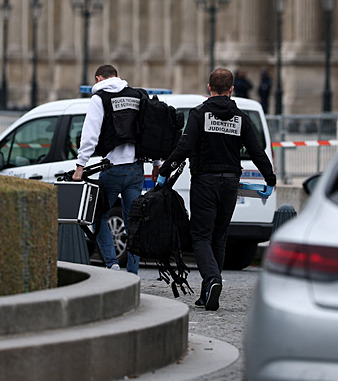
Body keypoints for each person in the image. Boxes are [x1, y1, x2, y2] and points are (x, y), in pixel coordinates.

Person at [156, 68, 276, 311]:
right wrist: (270, 179)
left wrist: (165, 170)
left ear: (209, 88)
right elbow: (257, 151)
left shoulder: (200, 114)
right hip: (230, 183)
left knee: (201, 236)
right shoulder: (241, 118)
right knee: (219, 236)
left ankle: (212, 280)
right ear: (231, 89)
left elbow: (184, 147)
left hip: (205, 181)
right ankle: (208, 293)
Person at [72, 64, 157, 274]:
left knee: (98, 216)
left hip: (112, 169)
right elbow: (150, 131)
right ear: (117, 76)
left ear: (98, 79)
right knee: (133, 222)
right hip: (136, 168)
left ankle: (112, 264)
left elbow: (90, 135)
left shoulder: (99, 99)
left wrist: (80, 165)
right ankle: (133, 272)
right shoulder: (138, 95)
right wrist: (157, 164)